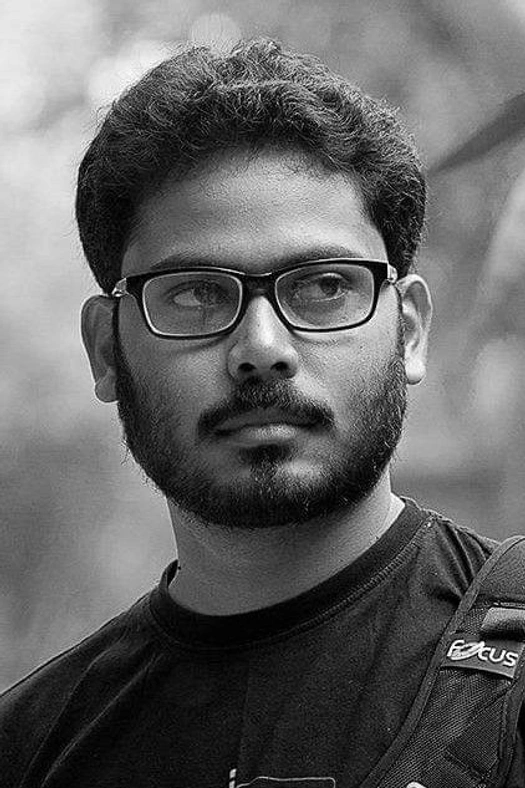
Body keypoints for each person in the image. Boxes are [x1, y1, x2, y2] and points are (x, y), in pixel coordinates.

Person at [1, 39, 524, 788]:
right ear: (108, 350)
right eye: (195, 293)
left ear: (408, 330)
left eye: (324, 287)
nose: (261, 349)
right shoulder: (31, 750)